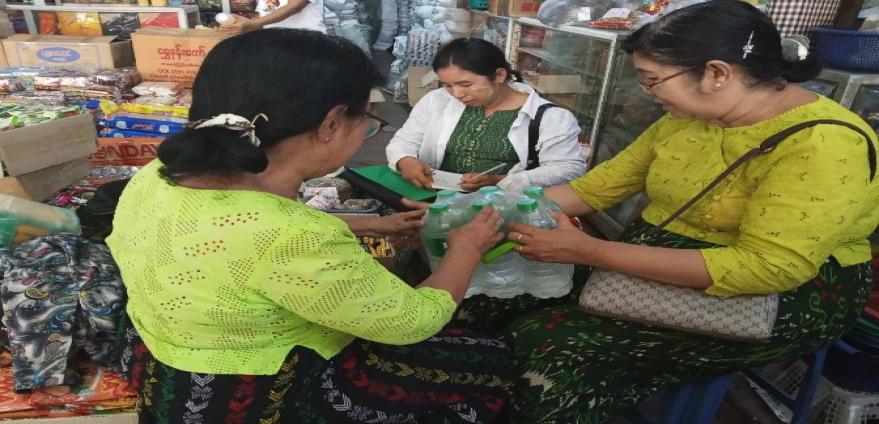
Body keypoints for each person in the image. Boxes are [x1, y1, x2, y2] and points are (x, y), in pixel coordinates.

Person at [106, 29, 515, 423]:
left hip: (160, 367)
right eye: (367, 120)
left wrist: (367, 225)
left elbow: (228, 234)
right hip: (252, 393)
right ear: (332, 123)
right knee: (488, 362)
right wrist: (466, 248)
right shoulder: (293, 235)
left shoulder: (158, 174)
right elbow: (412, 322)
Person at [497, 1, 879, 422]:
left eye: (651, 79)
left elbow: (767, 268)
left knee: (548, 346)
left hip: (782, 295)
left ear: (716, 73)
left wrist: (592, 252)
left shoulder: (825, 145)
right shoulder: (688, 118)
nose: (647, 91)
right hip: (653, 254)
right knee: (507, 297)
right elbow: (596, 188)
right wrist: (495, 214)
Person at [386, 37, 588, 193]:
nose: (457, 94)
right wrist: (406, 160)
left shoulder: (551, 117)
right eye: (447, 85)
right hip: (434, 197)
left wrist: (500, 181)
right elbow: (404, 141)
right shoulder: (436, 100)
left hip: (502, 206)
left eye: (466, 84)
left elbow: (568, 168)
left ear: (499, 75)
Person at [218, 0, 325, 34]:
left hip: (306, 40)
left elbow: (295, 6)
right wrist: (244, 25)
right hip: (275, 42)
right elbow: (263, 17)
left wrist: (254, 23)